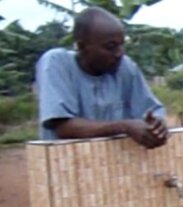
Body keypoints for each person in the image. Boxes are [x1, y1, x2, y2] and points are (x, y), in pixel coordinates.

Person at [35, 6, 168, 148]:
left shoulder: (125, 67)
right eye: (110, 47)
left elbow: (152, 110)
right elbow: (63, 127)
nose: (119, 53)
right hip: (67, 163)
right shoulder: (57, 63)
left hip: (111, 165)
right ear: (82, 46)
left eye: (121, 45)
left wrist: (156, 124)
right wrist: (124, 126)